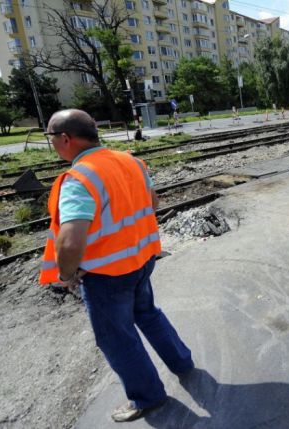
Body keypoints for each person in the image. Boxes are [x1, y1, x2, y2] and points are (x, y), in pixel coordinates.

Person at [39, 109, 194, 422]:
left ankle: (148, 397)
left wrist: (66, 275)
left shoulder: (79, 178)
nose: (52, 144)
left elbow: (69, 242)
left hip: (106, 275)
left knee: (117, 337)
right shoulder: (131, 161)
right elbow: (153, 203)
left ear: (65, 139)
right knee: (148, 314)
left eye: (51, 138)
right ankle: (182, 362)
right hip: (142, 259)